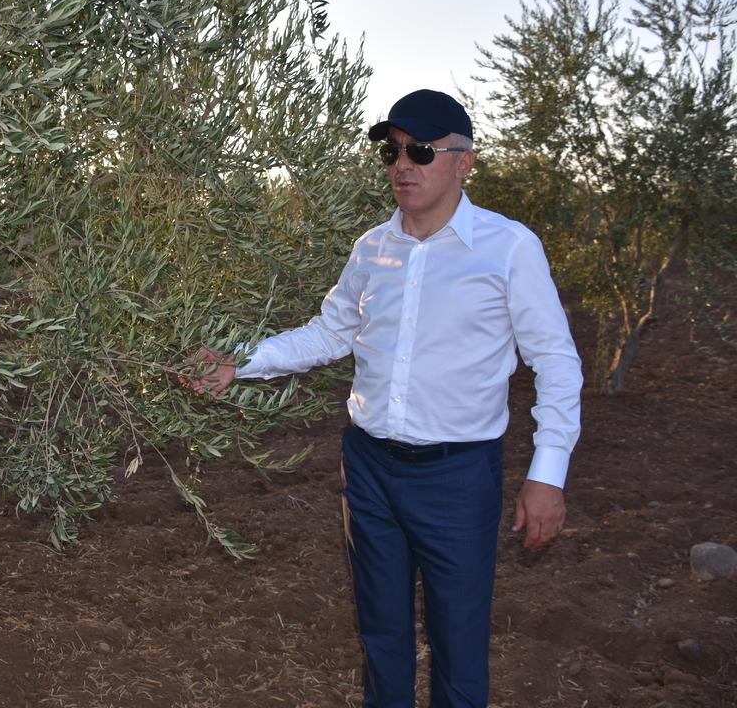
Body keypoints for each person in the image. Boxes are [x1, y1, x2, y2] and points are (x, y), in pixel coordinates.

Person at [184, 89, 582, 708]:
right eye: (392, 150)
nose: (403, 164)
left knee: (459, 645)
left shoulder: (508, 249)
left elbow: (556, 362)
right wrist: (240, 362)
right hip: (369, 468)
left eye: (421, 150)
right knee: (382, 635)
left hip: (458, 476)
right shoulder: (372, 248)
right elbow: (331, 331)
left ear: (463, 162)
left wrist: (547, 474)